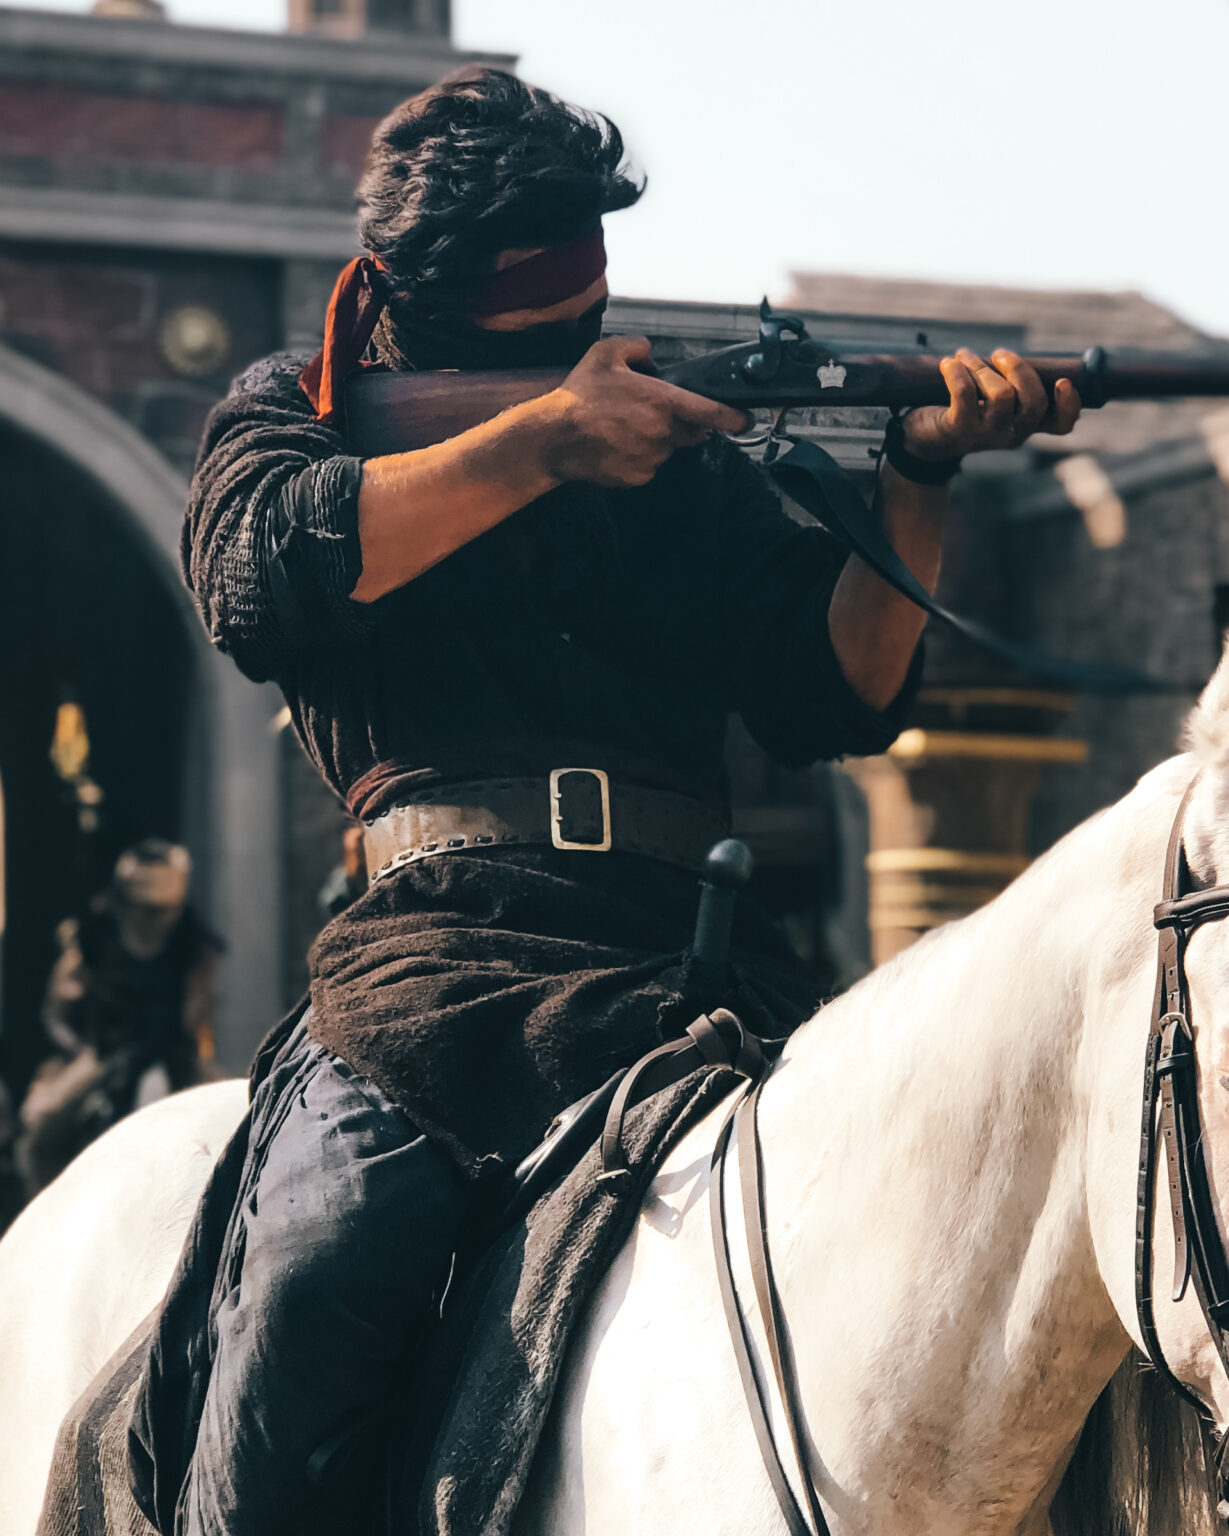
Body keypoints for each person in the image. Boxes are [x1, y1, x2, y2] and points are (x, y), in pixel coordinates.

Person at [147, 66, 1080, 1536]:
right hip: (430, 965)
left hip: (689, 961)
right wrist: (541, 442)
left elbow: (831, 690)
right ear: (404, 294)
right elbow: (261, 574)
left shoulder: (674, 467)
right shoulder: (304, 410)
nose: (582, 346)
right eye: (541, 329)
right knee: (316, 1281)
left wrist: (918, 479)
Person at [16, 839, 221, 1195]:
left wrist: (191, 1053)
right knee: (40, 1127)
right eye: (143, 910)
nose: (151, 921)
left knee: (237, 1123)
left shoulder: (194, 942)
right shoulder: (92, 936)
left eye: (160, 912)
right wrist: (84, 1049)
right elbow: (57, 1009)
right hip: (104, 1052)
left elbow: (197, 1012)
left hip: (175, 1053)